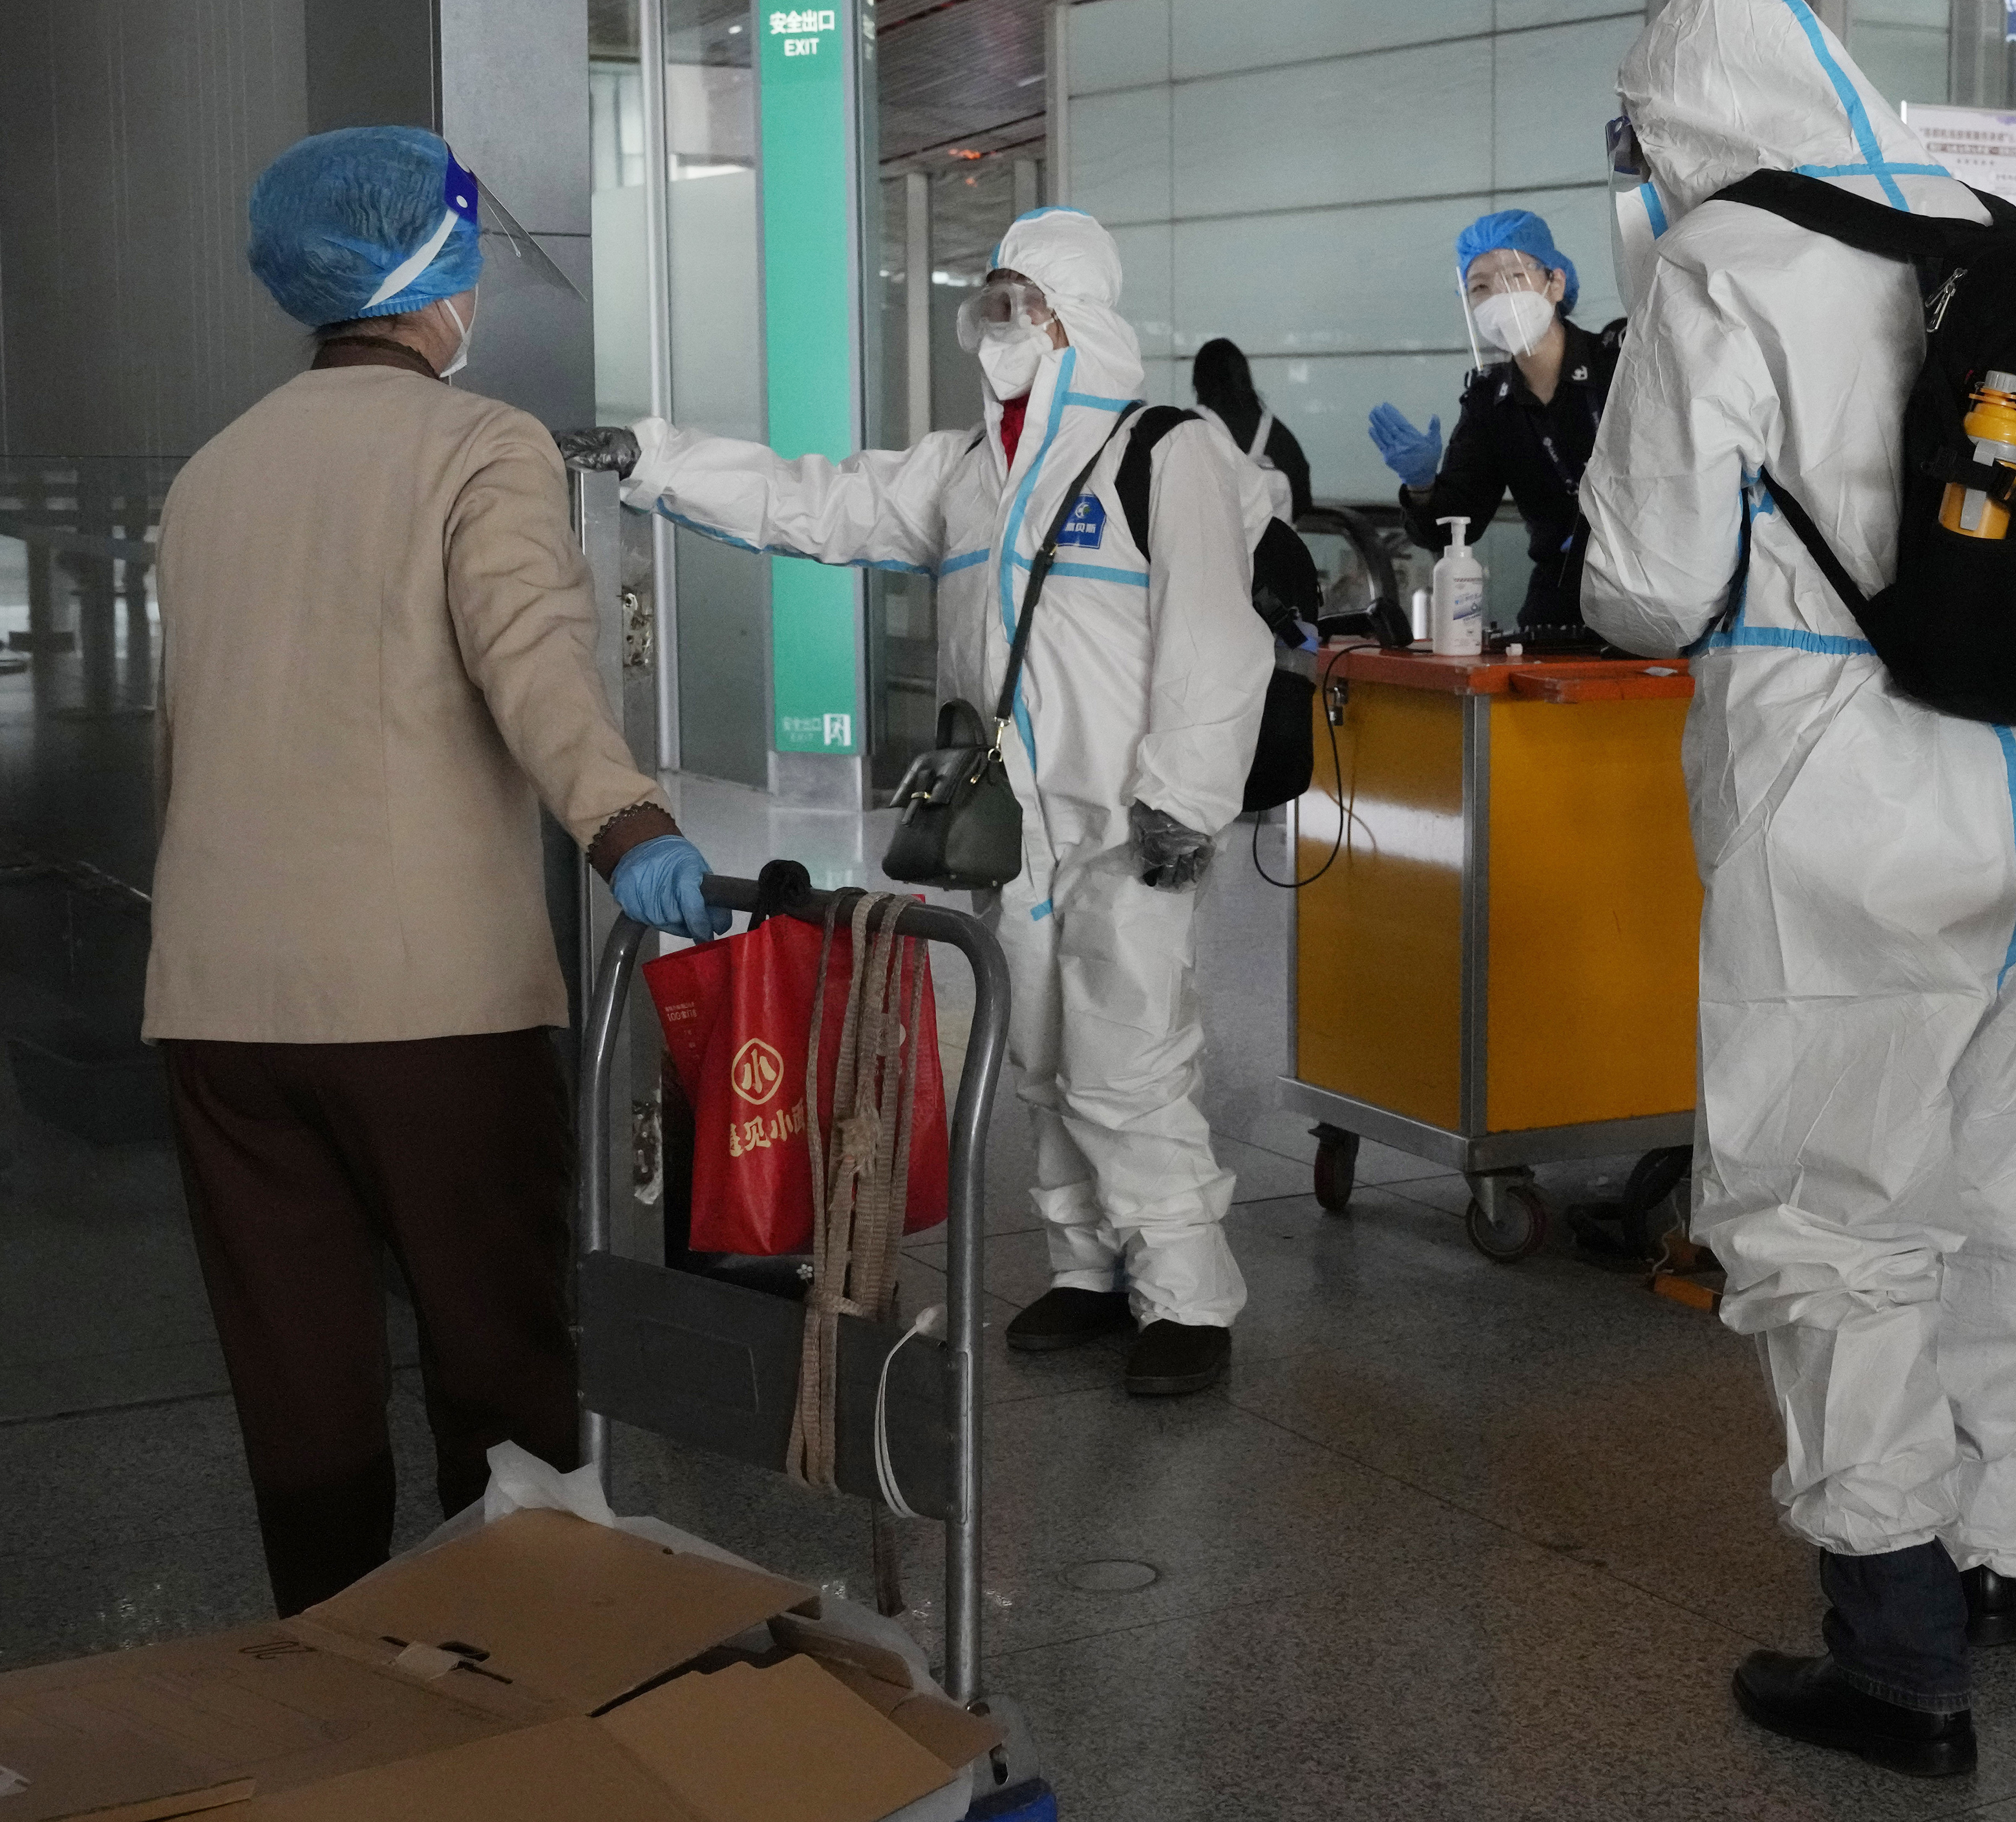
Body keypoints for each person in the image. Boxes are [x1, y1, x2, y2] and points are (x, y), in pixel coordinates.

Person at [1579, 0, 2016, 1780]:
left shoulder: (1721, 262)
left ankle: (1897, 1647)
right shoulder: (2009, 238)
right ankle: (1998, 1558)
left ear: (1679, 127)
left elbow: (1649, 585)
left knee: (1829, 1209)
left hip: (1857, 785)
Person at [149, 125, 726, 1615]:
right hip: (425, 1010)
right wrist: (629, 826)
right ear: (438, 273)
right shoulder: (484, 448)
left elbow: (188, 737)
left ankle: (337, 1685)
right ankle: (513, 1682)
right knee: (498, 1359)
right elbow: (531, 662)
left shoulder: (211, 475)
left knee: (299, 1381)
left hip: (219, 1008)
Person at [600, 209, 1271, 1397]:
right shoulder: (969, 471)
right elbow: (815, 502)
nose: (996, 328)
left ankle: (1187, 1289)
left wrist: (1185, 794)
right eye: (992, 303)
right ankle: (1086, 1267)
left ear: (1073, 315)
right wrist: (654, 461)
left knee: (1126, 1059)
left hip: (1132, 819)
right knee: (1041, 1058)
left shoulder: (1165, 449)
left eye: (1019, 303)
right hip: (1020, 823)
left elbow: (1217, 634)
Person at [1367, 209, 1620, 633]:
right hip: (1559, 606)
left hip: (1650, 590)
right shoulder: (1490, 401)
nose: (1498, 296)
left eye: (1515, 277)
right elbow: (1455, 525)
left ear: (1555, 283)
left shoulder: (1617, 362)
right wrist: (1423, 485)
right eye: (1480, 287)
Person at [1190, 336, 1311, 521]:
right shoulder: (1280, 436)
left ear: (1198, 382)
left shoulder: (1187, 428)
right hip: (1273, 549)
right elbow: (1303, 504)